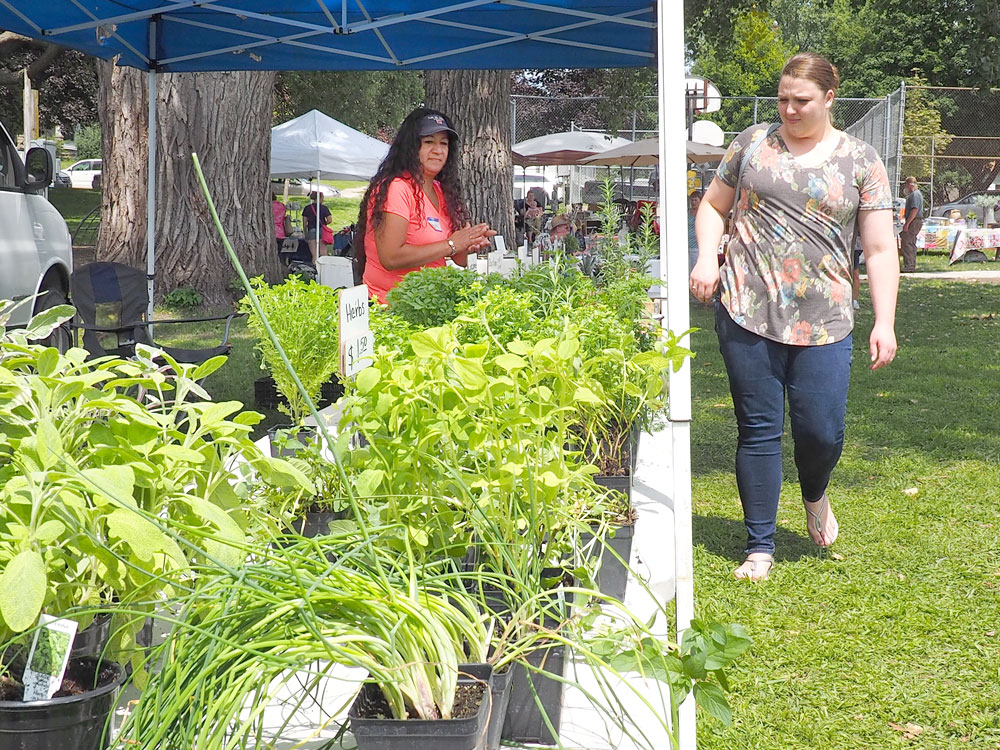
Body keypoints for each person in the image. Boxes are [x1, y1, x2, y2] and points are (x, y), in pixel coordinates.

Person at [689, 52, 900, 581]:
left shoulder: (861, 161)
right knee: (758, 428)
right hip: (746, 309)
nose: (788, 108)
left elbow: (878, 249)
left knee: (821, 433)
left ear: (829, 98)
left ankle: (814, 493)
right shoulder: (752, 144)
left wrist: (884, 320)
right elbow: (714, 204)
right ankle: (759, 544)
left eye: (800, 100)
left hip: (826, 318)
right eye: (782, 98)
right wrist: (705, 258)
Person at [356, 108, 495, 302]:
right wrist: (452, 244)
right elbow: (391, 257)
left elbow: (458, 260)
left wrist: (467, 243)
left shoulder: (442, 190)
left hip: (428, 306)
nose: (438, 150)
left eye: (444, 143)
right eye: (429, 142)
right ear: (411, 147)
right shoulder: (397, 188)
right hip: (389, 308)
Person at [899, 176, 923, 272]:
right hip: (915, 221)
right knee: (911, 242)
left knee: (907, 242)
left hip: (914, 221)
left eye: (906, 185)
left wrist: (907, 223)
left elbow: (914, 209)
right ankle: (911, 264)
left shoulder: (914, 195)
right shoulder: (917, 194)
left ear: (910, 185)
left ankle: (909, 265)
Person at [301, 191, 332, 264]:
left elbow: (304, 223)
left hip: (311, 230)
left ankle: (315, 269)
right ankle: (325, 268)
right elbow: (330, 220)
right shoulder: (324, 208)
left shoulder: (307, 208)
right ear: (320, 198)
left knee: (314, 254)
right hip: (322, 230)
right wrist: (324, 223)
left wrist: (305, 233)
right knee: (323, 252)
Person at [687, 189, 704, 273]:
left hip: (696, 247)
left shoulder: (702, 213)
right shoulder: (687, 213)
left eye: (696, 200)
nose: (693, 202)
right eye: (692, 200)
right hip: (686, 245)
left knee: (694, 269)